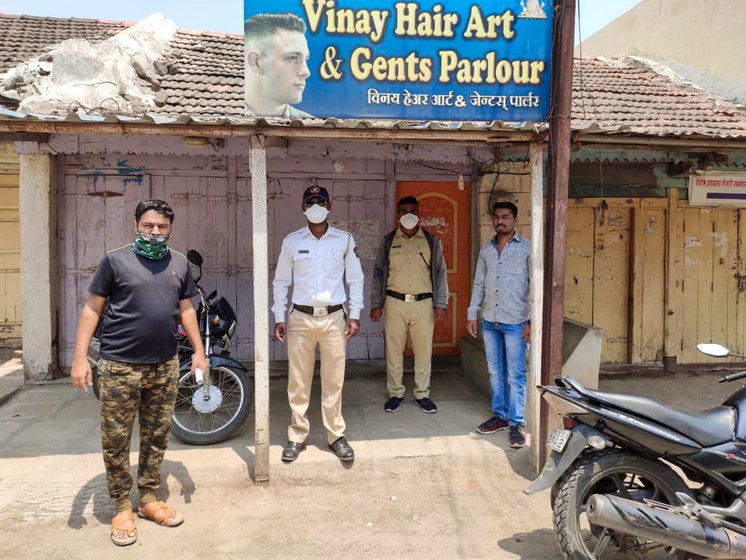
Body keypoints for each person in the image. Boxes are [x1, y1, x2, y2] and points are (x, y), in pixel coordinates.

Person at [70, 199, 207, 546]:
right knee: (116, 440)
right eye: (149, 226)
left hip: (165, 365)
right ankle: (120, 505)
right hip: (119, 366)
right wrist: (80, 357)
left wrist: (200, 353)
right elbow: (91, 310)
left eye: (162, 227)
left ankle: (147, 499)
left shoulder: (178, 263)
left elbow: (187, 309)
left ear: (170, 229)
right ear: (136, 225)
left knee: (156, 435)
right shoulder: (115, 261)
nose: (155, 233)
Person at [272, 185, 364, 463]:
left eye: (320, 201)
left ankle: (335, 435)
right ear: (302, 208)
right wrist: (279, 317)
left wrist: (356, 313)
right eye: (310, 202)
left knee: (333, 380)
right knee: (298, 380)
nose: (315, 206)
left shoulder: (344, 240)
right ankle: (297, 434)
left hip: (334, 317)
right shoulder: (291, 242)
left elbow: (355, 279)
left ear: (329, 206)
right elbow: (281, 281)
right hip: (300, 318)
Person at [370, 196, 449, 413]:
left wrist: (441, 303)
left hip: (424, 304)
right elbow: (378, 274)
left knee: (423, 352)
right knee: (394, 351)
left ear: (418, 213)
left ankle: (422, 394)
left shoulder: (431, 241)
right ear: (398, 215)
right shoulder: (388, 242)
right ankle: (395, 393)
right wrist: (376, 303)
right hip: (394, 302)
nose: (408, 215)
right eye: (403, 211)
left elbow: (441, 274)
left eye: (412, 210)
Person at [466, 201, 531, 448]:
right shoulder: (487, 250)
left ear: (515, 220)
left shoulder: (527, 249)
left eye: (505, 217)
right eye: (496, 217)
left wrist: (531, 321)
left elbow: (535, 285)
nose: (500, 221)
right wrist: (472, 314)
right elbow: (479, 284)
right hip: (490, 321)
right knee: (495, 372)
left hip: (516, 321)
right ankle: (501, 416)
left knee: (516, 374)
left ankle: (517, 423)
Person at [244, 12, 313, 118]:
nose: (306, 72)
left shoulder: (311, 126)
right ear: (256, 62)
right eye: (292, 58)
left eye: (306, 59)